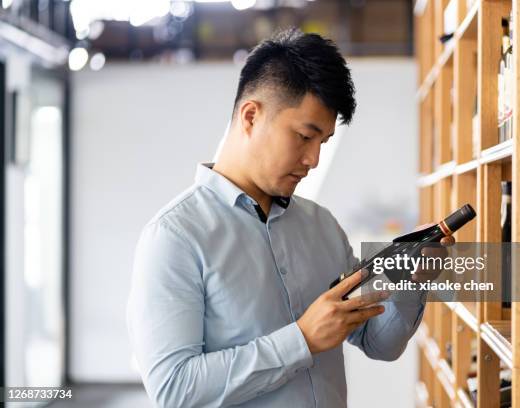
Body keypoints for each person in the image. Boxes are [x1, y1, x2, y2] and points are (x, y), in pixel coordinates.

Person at [126, 28, 453, 408]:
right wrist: (302, 340)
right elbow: (174, 389)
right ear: (251, 116)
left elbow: (379, 343)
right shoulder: (175, 237)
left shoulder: (322, 226)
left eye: (322, 143)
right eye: (304, 136)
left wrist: (413, 281)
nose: (313, 159)